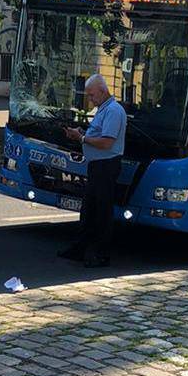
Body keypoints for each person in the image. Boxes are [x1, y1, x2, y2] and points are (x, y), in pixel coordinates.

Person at [59, 74, 126, 268]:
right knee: (89, 210)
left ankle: (101, 254)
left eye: (92, 95)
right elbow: (98, 134)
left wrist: (81, 138)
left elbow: (106, 142)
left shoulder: (113, 111)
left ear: (103, 91)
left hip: (107, 164)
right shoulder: (103, 109)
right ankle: (80, 248)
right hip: (97, 165)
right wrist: (82, 133)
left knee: (102, 212)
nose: (90, 99)